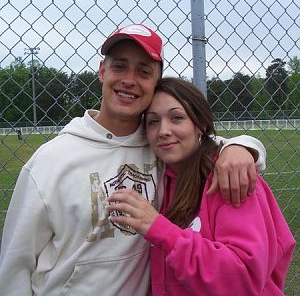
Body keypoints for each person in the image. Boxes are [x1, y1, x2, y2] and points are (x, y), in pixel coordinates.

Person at [0, 24, 266, 295]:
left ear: (155, 82)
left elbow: (203, 146)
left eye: (143, 72)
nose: (129, 79)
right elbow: (15, 264)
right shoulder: (50, 161)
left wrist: (241, 147)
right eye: (119, 66)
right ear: (102, 71)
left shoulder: (159, 145)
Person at [107, 77, 296, 296]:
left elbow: (241, 281)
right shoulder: (155, 176)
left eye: (177, 118)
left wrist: (159, 228)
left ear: (201, 124)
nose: (163, 131)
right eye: (152, 121)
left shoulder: (229, 178)